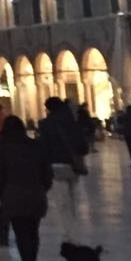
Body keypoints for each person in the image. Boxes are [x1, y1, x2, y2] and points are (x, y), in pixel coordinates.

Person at [0, 114, 54, 261]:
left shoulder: (3, 149)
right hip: (36, 196)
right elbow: (47, 173)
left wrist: (1, 193)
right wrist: (42, 188)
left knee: (21, 233)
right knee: (33, 232)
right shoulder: (36, 146)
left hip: (13, 197)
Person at [37, 97, 88, 247]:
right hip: (73, 167)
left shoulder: (45, 124)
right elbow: (82, 145)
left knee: (63, 204)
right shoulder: (72, 122)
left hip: (57, 167)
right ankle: (71, 233)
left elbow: (44, 148)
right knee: (71, 201)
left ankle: (72, 236)